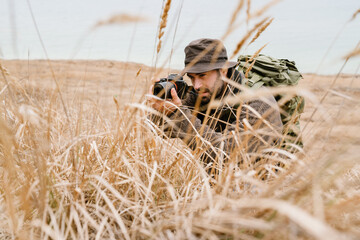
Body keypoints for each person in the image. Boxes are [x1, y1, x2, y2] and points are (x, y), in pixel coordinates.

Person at [148, 38, 283, 169]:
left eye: (202, 76)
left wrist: (178, 114)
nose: (196, 85)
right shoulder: (202, 93)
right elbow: (159, 130)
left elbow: (226, 156)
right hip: (217, 180)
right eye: (192, 77)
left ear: (223, 71)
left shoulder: (259, 103)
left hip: (263, 181)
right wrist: (159, 107)